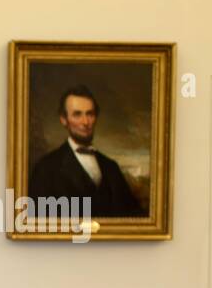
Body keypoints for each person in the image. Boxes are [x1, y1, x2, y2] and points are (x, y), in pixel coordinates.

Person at [28, 85, 144, 216]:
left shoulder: (111, 168)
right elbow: (37, 222)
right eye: (77, 114)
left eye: (90, 114)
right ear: (63, 120)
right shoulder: (46, 168)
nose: (85, 121)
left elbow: (134, 217)